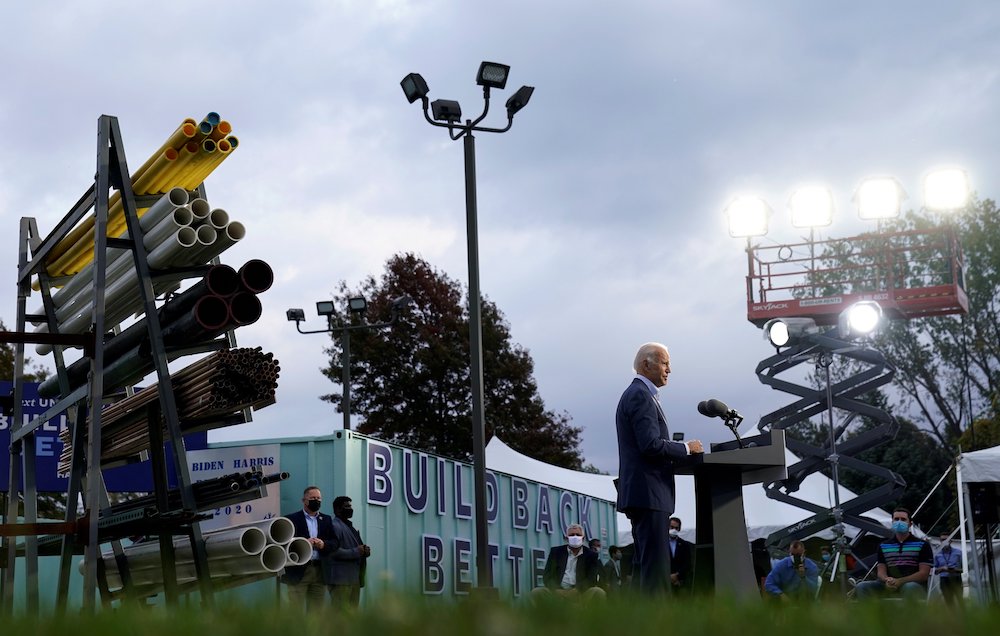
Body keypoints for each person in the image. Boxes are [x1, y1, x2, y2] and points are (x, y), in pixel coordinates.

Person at [616, 342, 703, 595]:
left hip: (645, 494)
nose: (669, 369)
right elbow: (650, 446)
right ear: (647, 364)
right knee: (655, 573)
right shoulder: (640, 395)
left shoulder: (641, 394)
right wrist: (686, 449)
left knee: (647, 569)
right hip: (649, 494)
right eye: (665, 363)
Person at [854, 507, 932, 601]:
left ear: (910, 524)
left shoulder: (922, 545)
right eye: (896, 519)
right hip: (887, 583)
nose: (899, 522)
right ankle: (870, 614)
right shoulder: (883, 545)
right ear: (892, 522)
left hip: (913, 584)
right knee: (862, 586)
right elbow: (881, 571)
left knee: (909, 587)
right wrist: (887, 579)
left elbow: (923, 574)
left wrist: (900, 581)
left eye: (903, 519)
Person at [282, 486, 336, 609]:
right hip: (299, 571)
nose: (316, 500)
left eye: (319, 498)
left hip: (319, 572)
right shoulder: (291, 519)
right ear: (304, 500)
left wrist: (323, 544)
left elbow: (335, 542)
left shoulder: (326, 519)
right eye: (312, 498)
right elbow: (284, 543)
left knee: (316, 613)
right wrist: (303, 543)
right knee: (295, 612)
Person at [533, 523, 605, 600]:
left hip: (581, 593)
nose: (575, 537)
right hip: (558, 592)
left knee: (598, 592)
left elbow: (591, 579)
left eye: (578, 535)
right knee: (536, 592)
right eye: (572, 535)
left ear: (583, 538)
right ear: (566, 538)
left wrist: (577, 590)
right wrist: (557, 590)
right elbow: (547, 576)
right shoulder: (556, 552)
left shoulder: (591, 555)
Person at [326, 496, 370, 608]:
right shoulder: (334, 525)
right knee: (339, 617)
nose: (350, 509)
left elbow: (356, 548)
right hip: (341, 582)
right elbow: (332, 551)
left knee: (351, 617)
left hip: (353, 580)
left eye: (350, 506)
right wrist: (356, 551)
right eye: (347, 506)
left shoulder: (350, 526)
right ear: (337, 509)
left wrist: (364, 551)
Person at [934, 532, 963, 606]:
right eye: (942, 540)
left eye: (946, 539)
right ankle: (952, 616)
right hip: (944, 580)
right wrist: (942, 568)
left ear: (951, 541)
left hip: (956, 578)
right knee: (949, 602)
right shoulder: (937, 553)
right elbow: (934, 571)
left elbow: (966, 569)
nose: (944, 541)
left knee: (961, 601)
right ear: (940, 541)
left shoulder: (958, 552)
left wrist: (955, 570)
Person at [668, 517, 693, 593]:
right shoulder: (660, 544)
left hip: (680, 583)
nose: (674, 530)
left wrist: (677, 575)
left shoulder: (684, 545)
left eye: (676, 528)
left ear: (679, 529)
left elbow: (687, 563)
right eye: (672, 527)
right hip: (664, 582)